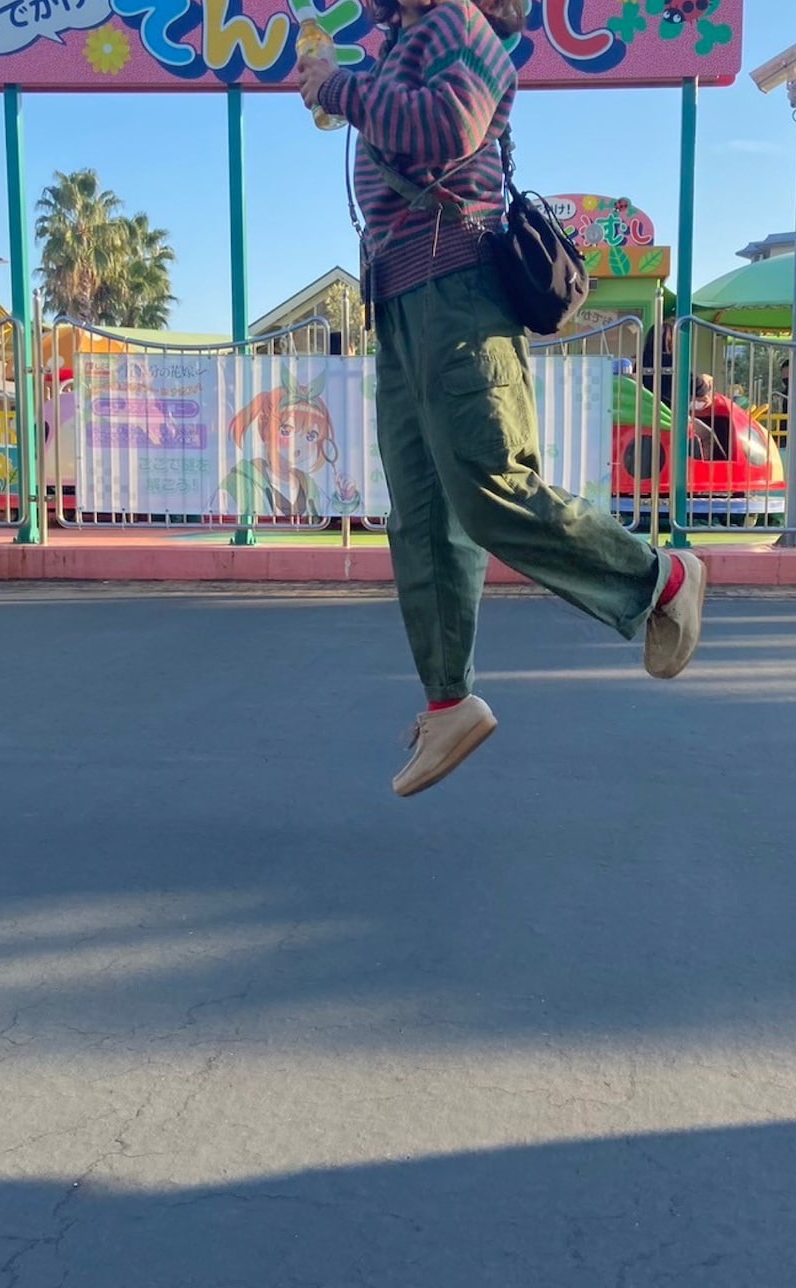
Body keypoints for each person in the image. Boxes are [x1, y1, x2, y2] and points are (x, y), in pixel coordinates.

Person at [298, 0, 706, 798]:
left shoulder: (458, 21)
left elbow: (449, 125)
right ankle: (448, 702)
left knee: (491, 490)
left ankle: (658, 580)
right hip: (402, 305)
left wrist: (340, 90)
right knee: (421, 516)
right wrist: (343, 86)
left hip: (458, 293)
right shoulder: (404, 40)